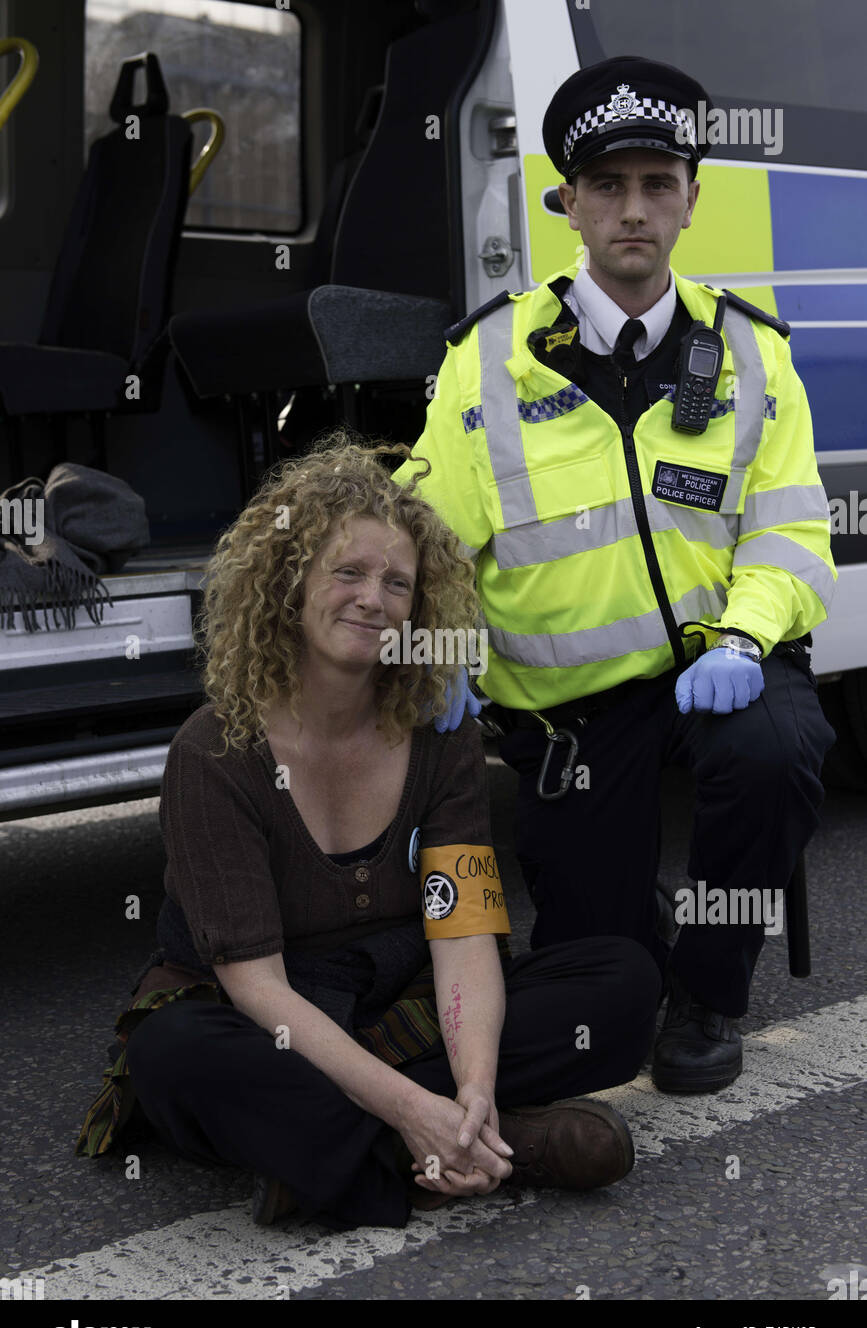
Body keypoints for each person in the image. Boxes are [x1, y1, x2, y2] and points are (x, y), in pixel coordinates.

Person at [75, 432, 660, 1232]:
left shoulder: (439, 733)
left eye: (396, 583)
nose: (372, 599)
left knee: (622, 981)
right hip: (267, 1014)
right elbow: (257, 988)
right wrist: (415, 1106)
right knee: (174, 1054)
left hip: (400, 1000)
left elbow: (464, 935)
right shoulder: (215, 752)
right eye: (346, 572)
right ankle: (481, 1148)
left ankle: (378, 1148)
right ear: (290, 583)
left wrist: (472, 1087)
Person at [392, 56, 837, 1095]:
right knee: (600, 996)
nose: (632, 209)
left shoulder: (752, 353)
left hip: (715, 671)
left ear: (690, 199)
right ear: (567, 203)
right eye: (606, 185)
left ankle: (712, 991)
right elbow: (425, 538)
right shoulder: (488, 357)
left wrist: (744, 638)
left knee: (773, 749)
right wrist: (438, 645)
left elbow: (789, 534)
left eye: (655, 184)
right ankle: (639, 932)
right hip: (571, 715)